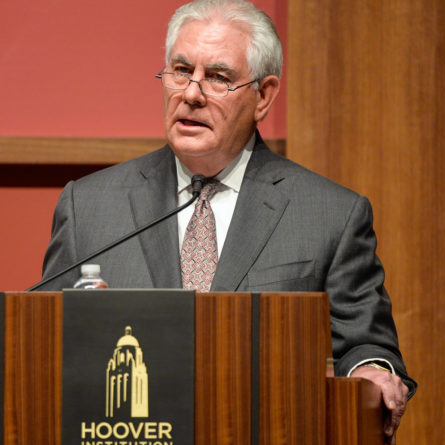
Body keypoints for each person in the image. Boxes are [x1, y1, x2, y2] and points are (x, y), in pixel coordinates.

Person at [40, 0, 416, 441]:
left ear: (264, 95)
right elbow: (44, 342)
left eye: (218, 77)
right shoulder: (90, 207)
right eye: (180, 70)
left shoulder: (330, 215)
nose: (192, 93)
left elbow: (365, 343)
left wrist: (373, 370)